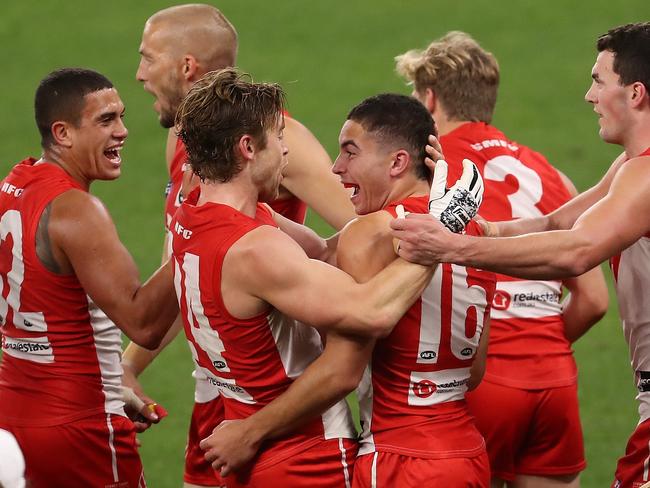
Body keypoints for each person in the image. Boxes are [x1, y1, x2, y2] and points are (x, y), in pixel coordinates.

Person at [389, 22, 650, 488]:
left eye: (598, 81)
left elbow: (578, 250)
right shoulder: (619, 167)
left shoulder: (647, 174)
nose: (589, 96)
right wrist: (481, 228)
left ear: (635, 93)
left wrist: (454, 246)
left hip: (482, 380)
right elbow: (557, 223)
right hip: (557, 377)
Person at [195, 91, 491, 487]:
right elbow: (472, 372)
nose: (336, 168)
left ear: (398, 162)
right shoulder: (474, 229)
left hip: (397, 458)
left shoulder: (367, 234)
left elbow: (341, 369)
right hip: (467, 453)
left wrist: (249, 431)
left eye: (350, 153)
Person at [126, 6, 357, 486]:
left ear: (186, 67)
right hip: (220, 390)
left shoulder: (280, 138)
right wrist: (127, 366)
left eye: (148, 58)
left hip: (281, 399)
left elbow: (362, 230)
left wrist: (350, 327)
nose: (140, 74)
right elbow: (187, 274)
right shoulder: (184, 142)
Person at [0, 68, 178, 487]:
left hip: (14, 420)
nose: (123, 131)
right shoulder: (75, 210)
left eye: (121, 116)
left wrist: (115, 384)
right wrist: (201, 235)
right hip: (82, 430)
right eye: (106, 120)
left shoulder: (13, 185)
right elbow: (144, 324)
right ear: (62, 133)